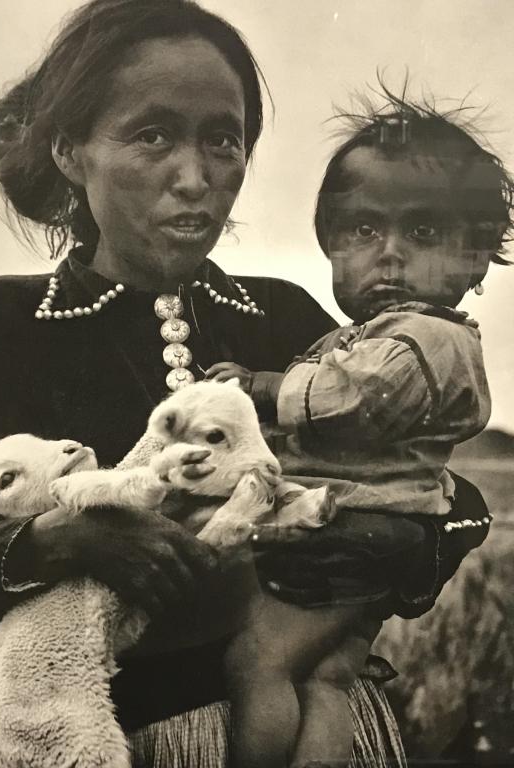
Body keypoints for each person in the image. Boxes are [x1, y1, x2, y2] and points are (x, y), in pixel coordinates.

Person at [0, 2, 488, 765]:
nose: (197, 178)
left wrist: (397, 545)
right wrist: (57, 541)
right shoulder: (5, 322)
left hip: (316, 733)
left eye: (223, 140)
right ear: (70, 150)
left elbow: (435, 487)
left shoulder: (285, 316)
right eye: (152, 134)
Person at [207, 92, 506, 768]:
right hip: (363, 538)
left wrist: (264, 388)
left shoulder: (426, 338)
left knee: (257, 664)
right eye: (364, 232)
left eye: (424, 235)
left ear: (475, 261)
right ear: (332, 246)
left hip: (348, 531)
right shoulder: (369, 333)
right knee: (325, 679)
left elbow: (357, 397)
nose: (390, 257)